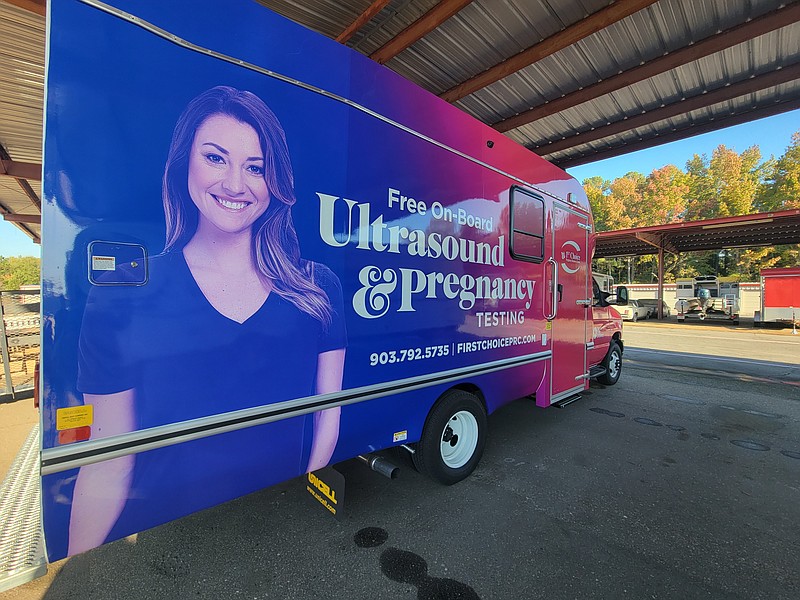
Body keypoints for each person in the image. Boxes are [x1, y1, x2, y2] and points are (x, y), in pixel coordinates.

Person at [68, 86, 346, 554]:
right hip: (165, 544)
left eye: (255, 167)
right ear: (184, 165)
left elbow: (327, 412)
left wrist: (300, 500)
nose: (236, 184)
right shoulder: (123, 295)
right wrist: (77, 572)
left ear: (274, 181)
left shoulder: (316, 288)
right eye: (216, 158)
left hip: (279, 524)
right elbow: (107, 460)